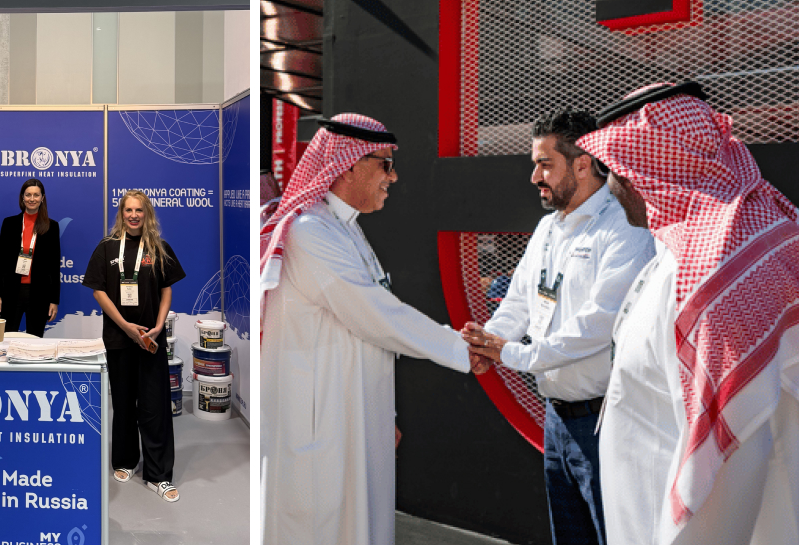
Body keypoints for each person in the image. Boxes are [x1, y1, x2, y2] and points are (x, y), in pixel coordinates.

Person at [579, 81, 799, 545]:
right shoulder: (692, 251)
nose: (611, 186)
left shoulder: (715, 278)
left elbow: (729, 456)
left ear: (644, 169)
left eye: (613, 167)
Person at [260, 113, 469, 545]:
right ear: (349, 166)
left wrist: (383, 415)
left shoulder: (345, 229)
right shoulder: (310, 232)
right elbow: (377, 315)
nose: (393, 177)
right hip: (321, 421)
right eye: (385, 164)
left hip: (354, 415)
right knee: (321, 526)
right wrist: (461, 348)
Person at [462, 109, 654, 545]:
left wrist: (512, 354)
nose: (535, 177)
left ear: (583, 164)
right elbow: (518, 303)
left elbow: (599, 324)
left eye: (545, 164)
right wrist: (487, 340)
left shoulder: (625, 228)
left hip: (607, 422)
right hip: (557, 422)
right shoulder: (548, 227)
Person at [83, 191, 185, 503]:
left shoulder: (159, 248)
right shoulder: (107, 247)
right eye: (128, 210)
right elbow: (98, 292)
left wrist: (159, 324)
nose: (133, 215)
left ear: (147, 213)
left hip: (150, 340)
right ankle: (125, 460)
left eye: (139, 210)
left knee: (155, 406)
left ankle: (158, 475)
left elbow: (166, 290)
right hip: (119, 338)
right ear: (121, 213)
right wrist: (126, 327)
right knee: (124, 403)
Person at [0, 178, 61, 338]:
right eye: (28, 194)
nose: (32, 199)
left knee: (35, 341)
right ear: (22, 197)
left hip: (39, 294)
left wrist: (54, 300)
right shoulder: (9, 223)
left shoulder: (52, 227)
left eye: (36, 195)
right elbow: (0, 262)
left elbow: (54, 267)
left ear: (42, 198)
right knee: (7, 340)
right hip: (11, 292)